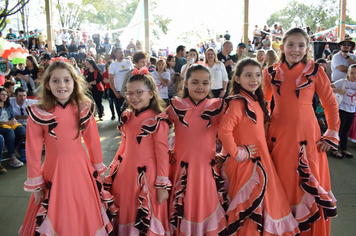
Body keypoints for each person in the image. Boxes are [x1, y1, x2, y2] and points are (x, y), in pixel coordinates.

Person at [19, 60, 115, 236]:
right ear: (47, 85)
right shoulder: (39, 112)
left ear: (74, 82)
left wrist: (99, 167)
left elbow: (93, 141)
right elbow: (32, 149)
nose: (61, 85)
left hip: (81, 170)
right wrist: (36, 183)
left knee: (83, 206)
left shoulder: (84, 108)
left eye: (66, 80)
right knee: (57, 208)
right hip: (53, 171)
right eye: (55, 81)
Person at [263, 28, 339, 235]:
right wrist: (261, 127)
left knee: (306, 180)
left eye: (300, 45)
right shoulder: (270, 72)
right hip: (278, 136)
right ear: (282, 46)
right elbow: (263, 103)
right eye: (290, 44)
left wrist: (331, 132)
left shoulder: (315, 71)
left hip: (309, 136)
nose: (295, 49)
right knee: (281, 181)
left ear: (307, 49)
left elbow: (330, 103)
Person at [218, 58, 299, 235]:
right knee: (250, 205)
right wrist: (237, 153)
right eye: (248, 75)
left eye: (257, 75)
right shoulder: (237, 102)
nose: (254, 79)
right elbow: (224, 131)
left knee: (269, 201)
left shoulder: (256, 101)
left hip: (261, 159)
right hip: (246, 163)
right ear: (237, 79)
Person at [104, 67, 171, 235]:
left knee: (143, 213)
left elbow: (162, 154)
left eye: (139, 92)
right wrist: (113, 168)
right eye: (129, 93)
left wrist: (162, 185)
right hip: (125, 174)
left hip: (146, 177)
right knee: (126, 209)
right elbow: (124, 145)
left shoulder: (158, 120)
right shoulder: (128, 116)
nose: (134, 97)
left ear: (151, 93)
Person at [167, 64, 227, 235]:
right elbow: (159, 130)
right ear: (185, 83)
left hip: (206, 166)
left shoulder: (217, 106)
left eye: (205, 83)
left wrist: (224, 153)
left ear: (210, 84)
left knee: (205, 201)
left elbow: (230, 132)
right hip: (181, 166)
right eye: (195, 82)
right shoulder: (175, 105)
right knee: (184, 203)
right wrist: (166, 152)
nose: (200, 87)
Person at [331, 64, 356, 158]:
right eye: (352, 73)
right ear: (348, 73)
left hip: (351, 110)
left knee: (346, 131)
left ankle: (344, 149)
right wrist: (337, 90)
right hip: (341, 109)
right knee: (338, 129)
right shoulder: (342, 82)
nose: (354, 75)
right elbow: (328, 87)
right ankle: (334, 149)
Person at [0, 87, 26, 168]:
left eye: (6, 95)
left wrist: (13, 120)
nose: (5, 96)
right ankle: (12, 157)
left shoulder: (8, 105)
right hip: (2, 126)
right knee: (9, 131)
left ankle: (13, 148)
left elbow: (12, 116)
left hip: (9, 124)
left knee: (22, 130)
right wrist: (5, 122)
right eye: (2, 94)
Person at [108, 47, 134, 120]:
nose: (122, 54)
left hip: (130, 90)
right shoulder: (113, 65)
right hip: (119, 91)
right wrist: (115, 92)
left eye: (122, 52)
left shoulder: (128, 62)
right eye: (119, 52)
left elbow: (133, 74)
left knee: (131, 109)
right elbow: (110, 80)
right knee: (120, 110)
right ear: (115, 54)